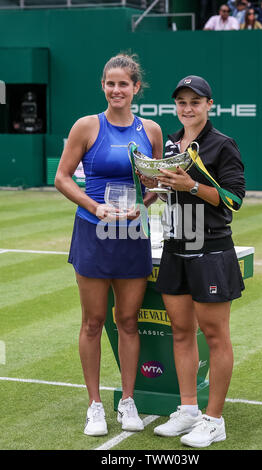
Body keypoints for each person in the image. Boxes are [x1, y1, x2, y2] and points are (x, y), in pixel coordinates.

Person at [54, 53, 163, 436]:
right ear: (104, 86)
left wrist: (143, 204)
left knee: (128, 321)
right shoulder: (86, 126)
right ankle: (95, 406)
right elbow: (63, 177)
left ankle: (127, 401)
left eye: (123, 84)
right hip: (93, 231)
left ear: (136, 88)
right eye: (110, 83)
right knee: (93, 322)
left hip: (133, 234)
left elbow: (156, 184)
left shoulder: (151, 131)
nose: (116, 90)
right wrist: (94, 206)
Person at [141, 75, 245, 448]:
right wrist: (153, 182)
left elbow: (233, 200)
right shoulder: (171, 144)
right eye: (182, 102)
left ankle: (214, 419)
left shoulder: (222, 145)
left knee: (215, 337)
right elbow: (163, 195)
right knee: (181, 332)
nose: (188, 108)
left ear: (208, 105)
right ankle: (187, 410)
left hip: (212, 249)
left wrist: (193, 186)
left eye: (195, 102)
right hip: (175, 246)